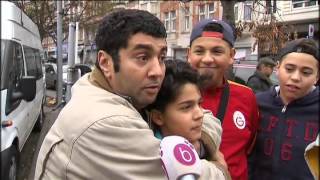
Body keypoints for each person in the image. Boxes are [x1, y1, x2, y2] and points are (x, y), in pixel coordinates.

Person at [34, 9, 229, 179]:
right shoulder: (105, 121)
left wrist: (196, 144)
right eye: (142, 57)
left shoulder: (117, 88)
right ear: (105, 63)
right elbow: (195, 176)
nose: (157, 71)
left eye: (161, 57)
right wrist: (218, 167)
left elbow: (209, 118)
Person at [187, 19, 260, 180]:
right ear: (188, 54)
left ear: (231, 55)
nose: (207, 59)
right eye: (199, 51)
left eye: (217, 51)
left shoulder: (247, 96)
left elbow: (248, 147)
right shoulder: (169, 95)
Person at [250, 38, 319, 180]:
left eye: (306, 72)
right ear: (277, 68)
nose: (295, 77)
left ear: (317, 77)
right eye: (289, 69)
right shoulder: (257, 103)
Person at [147, 60, 223, 161]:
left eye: (199, 104)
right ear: (158, 117)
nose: (200, 114)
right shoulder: (149, 156)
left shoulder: (205, 148)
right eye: (186, 107)